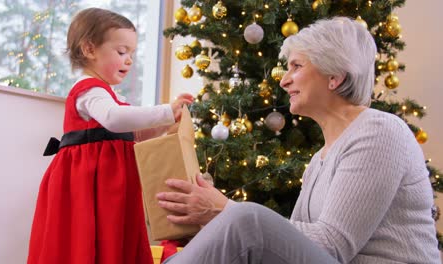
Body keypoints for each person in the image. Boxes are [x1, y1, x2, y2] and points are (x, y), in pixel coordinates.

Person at [156, 17, 441, 263]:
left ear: (335, 77)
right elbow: (292, 243)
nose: (284, 80)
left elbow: (332, 246)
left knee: (247, 221)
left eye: (296, 66)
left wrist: (222, 210)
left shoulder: (380, 132)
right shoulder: (320, 158)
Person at [27, 8, 193, 264]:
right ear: (89, 50)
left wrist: (168, 120)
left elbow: (136, 134)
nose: (129, 60)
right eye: (121, 51)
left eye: (132, 54)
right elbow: (114, 119)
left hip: (111, 183)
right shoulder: (89, 89)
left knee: (114, 236)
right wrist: (164, 111)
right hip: (89, 183)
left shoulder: (111, 97)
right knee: (87, 236)